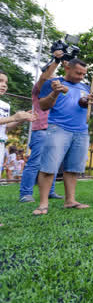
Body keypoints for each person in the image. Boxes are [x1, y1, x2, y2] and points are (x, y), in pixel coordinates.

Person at [33, 58, 93, 215]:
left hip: (81, 131)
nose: (81, 76)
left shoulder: (86, 87)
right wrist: (55, 92)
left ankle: (70, 201)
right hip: (58, 128)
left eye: (84, 74)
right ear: (67, 68)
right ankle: (43, 204)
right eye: (78, 73)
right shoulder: (54, 83)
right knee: (49, 167)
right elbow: (43, 105)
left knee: (73, 168)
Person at [19, 50, 64, 202]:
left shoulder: (56, 92)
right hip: (41, 130)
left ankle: (50, 191)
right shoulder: (39, 88)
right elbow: (44, 77)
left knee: (52, 163)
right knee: (35, 163)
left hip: (55, 130)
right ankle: (25, 193)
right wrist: (57, 60)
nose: (54, 78)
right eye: (52, 75)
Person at [0, 70, 37, 225]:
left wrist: (20, 119)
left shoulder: (4, 105)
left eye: (5, 83)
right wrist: (15, 116)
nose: (4, 85)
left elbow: (6, 127)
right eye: (0, 81)